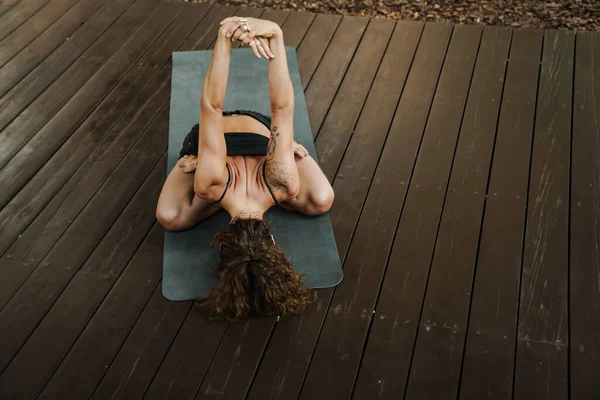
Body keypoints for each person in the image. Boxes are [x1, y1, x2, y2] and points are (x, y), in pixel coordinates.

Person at [156, 17, 334, 320]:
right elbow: (213, 107)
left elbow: (273, 108)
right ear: (225, 238)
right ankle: (287, 148)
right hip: (250, 145)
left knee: (171, 217)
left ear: (271, 237)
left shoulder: (282, 186)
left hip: (245, 144)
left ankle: (284, 149)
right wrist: (226, 36)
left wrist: (272, 35)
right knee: (321, 199)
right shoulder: (216, 185)